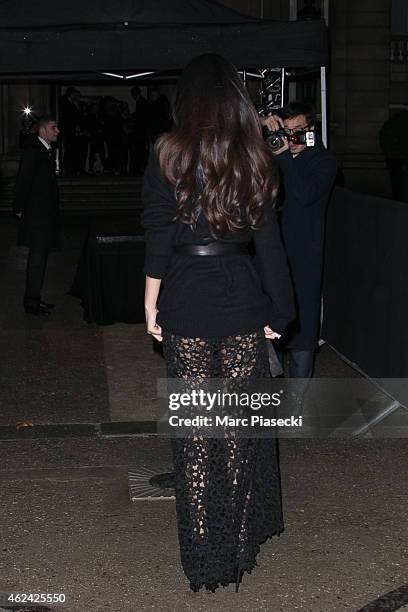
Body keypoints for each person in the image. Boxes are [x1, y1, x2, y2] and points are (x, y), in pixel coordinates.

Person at [142, 54, 295, 592]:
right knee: (234, 432)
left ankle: (203, 556)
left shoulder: (168, 153)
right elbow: (271, 244)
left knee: (194, 438)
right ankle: (232, 552)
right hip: (240, 305)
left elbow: (158, 236)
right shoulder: (254, 156)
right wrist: (282, 312)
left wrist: (150, 306)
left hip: (185, 302)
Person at [262, 102, 338, 378]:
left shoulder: (324, 161)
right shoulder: (272, 155)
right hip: (272, 253)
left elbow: (305, 195)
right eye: (286, 131)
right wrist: (261, 128)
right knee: (271, 321)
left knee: (304, 326)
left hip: (305, 256)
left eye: (298, 131)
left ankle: (298, 404)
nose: (291, 138)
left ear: (311, 130)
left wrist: (283, 156)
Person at [13, 115, 60, 316]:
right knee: (37, 259)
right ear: (42, 130)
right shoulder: (34, 150)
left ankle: (35, 298)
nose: (57, 131)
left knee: (40, 259)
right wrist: (19, 208)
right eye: (53, 127)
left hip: (43, 215)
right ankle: (31, 302)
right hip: (37, 216)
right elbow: (23, 180)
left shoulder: (43, 150)